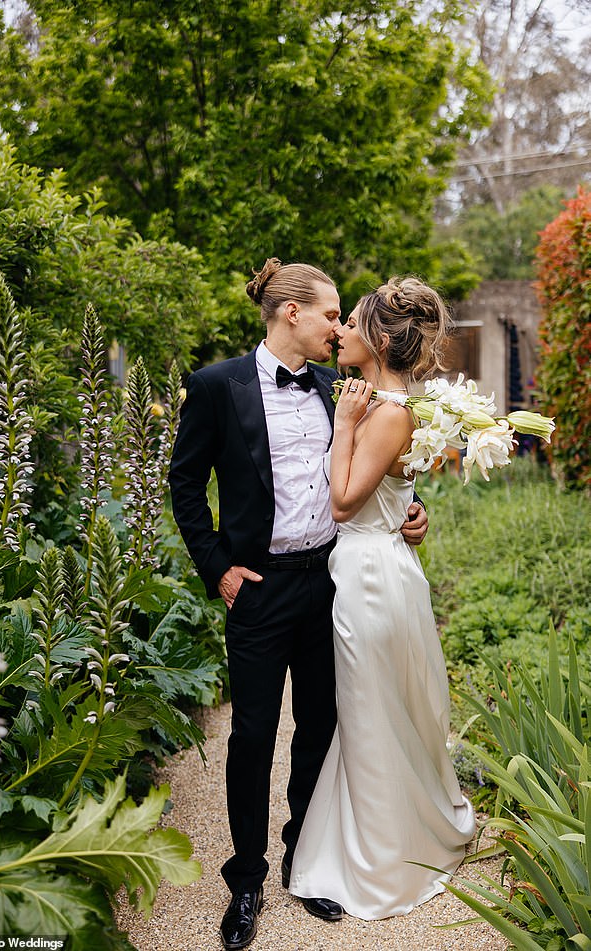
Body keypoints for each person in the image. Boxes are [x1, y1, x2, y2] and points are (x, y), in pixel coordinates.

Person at [168, 259, 429, 951]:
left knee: (321, 724)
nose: (339, 326)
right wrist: (218, 568)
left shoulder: (336, 386)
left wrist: (414, 510)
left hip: (329, 582)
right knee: (253, 734)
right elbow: (185, 484)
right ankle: (246, 877)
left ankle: (303, 860)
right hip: (257, 585)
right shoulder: (217, 385)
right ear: (291, 314)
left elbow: (377, 471)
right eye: (331, 313)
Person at [288, 277, 475, 920]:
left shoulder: (388, 410)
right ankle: (395, 837)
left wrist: (344, 421)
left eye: (351, 323)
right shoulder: (392, 406)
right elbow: (391, 491)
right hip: (381, 567)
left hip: (367, 575)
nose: (339, 332)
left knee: (370, 715)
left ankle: (381, 861)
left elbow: (343, 501)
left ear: (379, 339)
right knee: (380, 710)